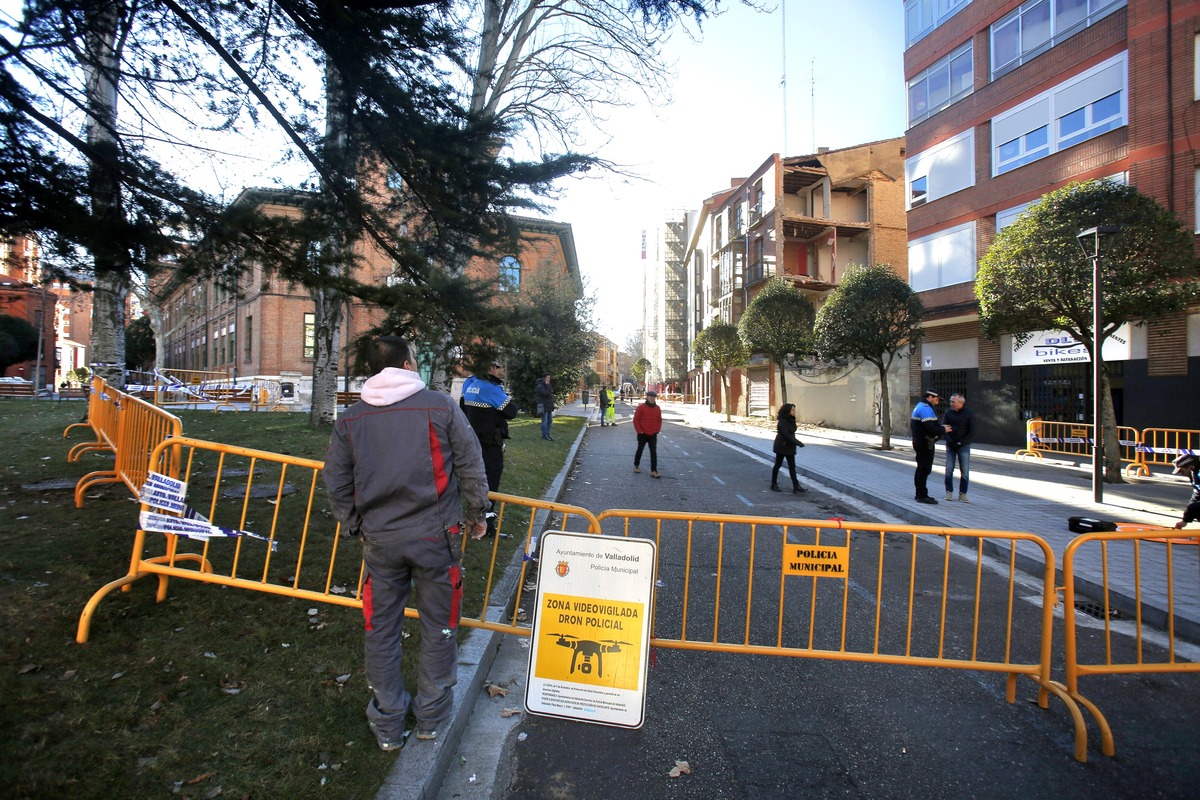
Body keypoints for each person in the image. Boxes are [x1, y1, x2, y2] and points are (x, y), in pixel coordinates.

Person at [323, 336, 490, 752]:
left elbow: (337, 480)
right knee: (440, 625)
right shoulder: (439, 405)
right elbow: (470, 462)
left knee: (381, 629)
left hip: (380, 542)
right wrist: (477, 513)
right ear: (407, 363)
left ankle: (388, 723)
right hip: (437, 539)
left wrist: (354, 524)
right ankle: (431, 718)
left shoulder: (351, 418)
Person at [460, 373, 520, 537]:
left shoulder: (469, 383)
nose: (503, 371)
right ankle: (487, 525)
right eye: (499, 366)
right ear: (491, 368)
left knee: (473, 481)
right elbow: (511, 411)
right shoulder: (491, 388)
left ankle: (470, 519)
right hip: (489, 445)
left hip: (471, 442)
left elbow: (462, 408)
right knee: (490, 483)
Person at [910, 389, 943, 505]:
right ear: (930, 397)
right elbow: (930, 427)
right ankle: (921, 495)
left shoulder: (921, 406)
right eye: (936, 399)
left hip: (921, 442)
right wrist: (943, 429)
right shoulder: (925, 408)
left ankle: (920, 493)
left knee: (922, 468)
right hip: (924, 443)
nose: (937, 402)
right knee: (924, 469)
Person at [942, 393, 975, 503]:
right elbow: (944, 428)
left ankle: (963, 494)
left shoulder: (969, 414)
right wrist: (950, 441)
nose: (951, 403)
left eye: (953, 402)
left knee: (964, 471)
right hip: (951, 445)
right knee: (949, 469)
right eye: (950, 401)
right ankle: (949, 493)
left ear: (961, 403)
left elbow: (971, 432)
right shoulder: (948, 412)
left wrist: (961, 442)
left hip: (963, 446)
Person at [770, 402, 807, 494]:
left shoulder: (791, 419)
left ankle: (796, 486)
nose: (795, 412)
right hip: (782, 445)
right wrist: (798, 442)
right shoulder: (782, 421)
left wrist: (795, 443)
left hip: (790, 446)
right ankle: (773, 484)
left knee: (792, 467)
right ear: (788, 411)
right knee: (778, 465)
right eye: (793, 410)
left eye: (794, 410)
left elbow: (792, 432)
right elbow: (786, 434)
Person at [632, 390, 663, 478]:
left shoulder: (657, 408)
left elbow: (659, 420)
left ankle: (654, 470)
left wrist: (657, 429)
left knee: (653, 451)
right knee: (640, 449)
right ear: (647, 397)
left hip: (653, 433)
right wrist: (639, 431)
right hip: (642, 433)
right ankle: (636, 465)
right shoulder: (641, 407)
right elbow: (636, 420)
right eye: (650, 397)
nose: (652, 398)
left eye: (653, 397)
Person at [1172, 454, 1200, 530]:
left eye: (1182, 471)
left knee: (1195, 507)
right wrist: (1185, 520)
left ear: (1190, 467)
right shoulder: (1194, 474)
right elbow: (1196, 495)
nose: (1182, 474)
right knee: (1194, 507)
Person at [535, 373, 555, 440]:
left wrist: (548, 386)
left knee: (550, 421)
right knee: (545, 421)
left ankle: (548, 434)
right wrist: (548, 385)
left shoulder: (547, 385)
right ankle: (544, 435)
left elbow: (550, 392)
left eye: (549, 377)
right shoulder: (540, 386)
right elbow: (546, 393)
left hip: (549, 405)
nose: (549, 379)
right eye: (547, 377)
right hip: (543, 405)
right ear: (544, 378)